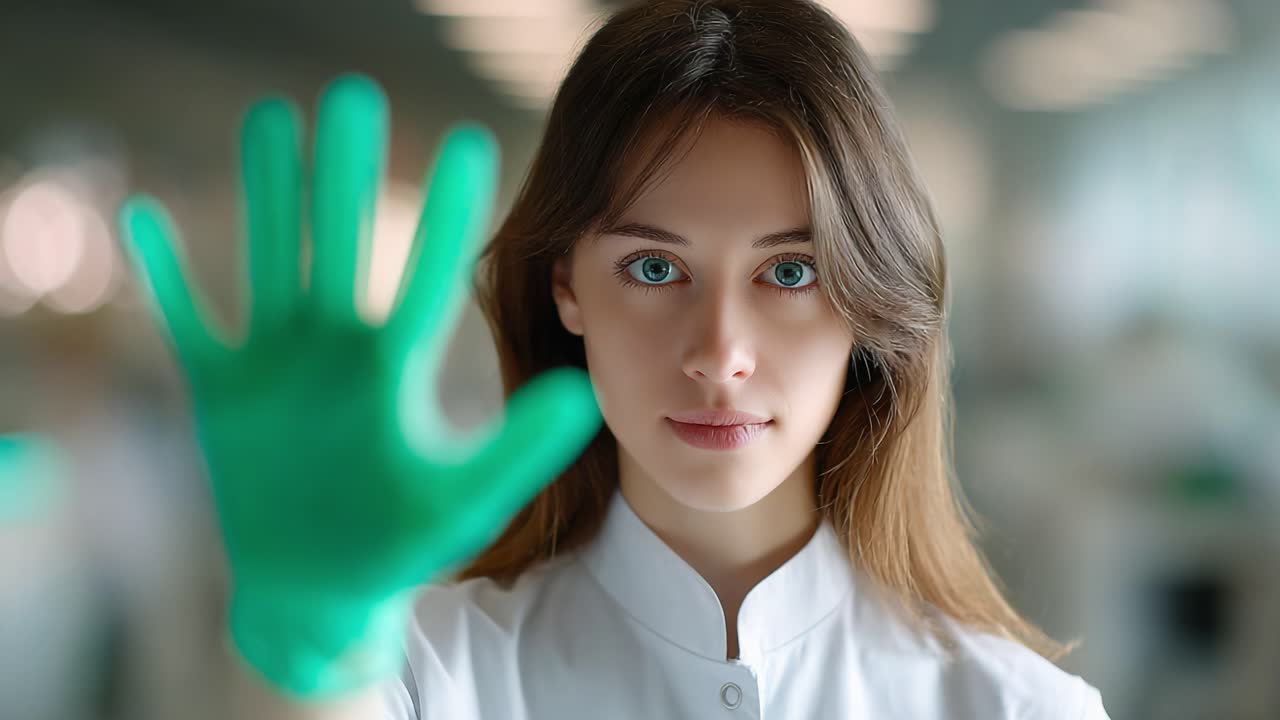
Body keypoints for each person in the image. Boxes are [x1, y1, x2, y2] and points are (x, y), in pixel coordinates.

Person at [117, 0, 1111, 718]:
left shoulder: (1019, 709)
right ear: (564, 287)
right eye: (650, 265)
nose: (719, 353)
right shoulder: (419, 674)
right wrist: (310, 648)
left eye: (791, 274)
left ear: (868, 309)